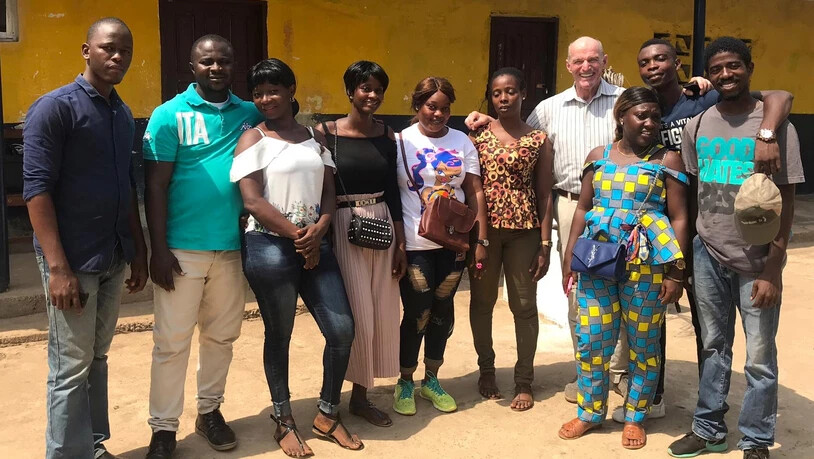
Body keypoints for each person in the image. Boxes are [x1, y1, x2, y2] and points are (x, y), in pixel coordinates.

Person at [604, 38, 795, 425]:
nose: (653, 66)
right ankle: (668, 402)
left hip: (731, 239)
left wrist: (769, 131)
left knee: (735, 343)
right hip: (676, 230)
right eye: (645, 62)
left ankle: (743, 430)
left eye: (661, 58)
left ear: (678, 63)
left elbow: (779, 95)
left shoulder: (703, 102)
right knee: (670, 322)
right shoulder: (660, 110)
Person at [667, 37, 803, 459]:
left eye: (734, 66)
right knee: (713, 345)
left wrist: (772, 269)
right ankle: (708, 428)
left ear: (749, 67)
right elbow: (691, 194)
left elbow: (787, 200)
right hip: (709, 251)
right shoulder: (698, 124)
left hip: (757, 257)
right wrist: (687, 255)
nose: (727, 74)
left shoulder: (777, 126)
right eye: (719, 68)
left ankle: (756, 439)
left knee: (760, 356)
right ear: (710, 74)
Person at [22, 17, 148, 459]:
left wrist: (138, 250)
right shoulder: (55, 108)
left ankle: (90, 445)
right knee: (69, 366)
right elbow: (35, 189)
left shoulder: (120, 113)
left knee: (96, 357)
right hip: (72, 260)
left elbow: (126, 186)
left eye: (125, 51)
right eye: (109, 48)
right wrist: (58, 268)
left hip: (111, 254)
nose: (117, 57)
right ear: (86, 50)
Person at [232, 58, 363, 457]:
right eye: (258, 93)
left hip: (316, 244)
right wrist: (296, 236)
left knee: (342, 330)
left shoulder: (313, 139)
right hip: (269, 247)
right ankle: (283, 419)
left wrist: (320, 228)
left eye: (273, 90)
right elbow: (252, 200)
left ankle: (326, 412)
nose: (266, 98)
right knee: (280, 334)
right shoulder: (253, 139)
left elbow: (328, 192)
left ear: (291, 90)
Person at [142, 35, 263, 458]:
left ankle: (209, 411)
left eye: (224, 61)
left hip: (231, 248)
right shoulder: (167, 115)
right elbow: (155, 186)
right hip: (180, 249)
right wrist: (158, 248)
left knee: (221, 337)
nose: (216, 68)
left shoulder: (250, 113)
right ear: (192, 66)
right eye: (207, 61)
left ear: (234, 66)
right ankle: (163, 428)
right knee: (171, 342)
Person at [557, 87, 689, 450]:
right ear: (621, 117)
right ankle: (590, 412)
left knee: (643, 344)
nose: (649, 123)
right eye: (641, 116)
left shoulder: (668, 160)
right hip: (596, 260)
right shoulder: (598, 157)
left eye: (654, 116)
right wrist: (570, 256)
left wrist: (676, 272)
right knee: (593, 339)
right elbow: (583, 208)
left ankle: (635, 416)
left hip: (645, 264)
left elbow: (679, 218)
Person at [314, 61, 406, 428]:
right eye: (364, 87)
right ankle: (331, 401)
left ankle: (361, 396)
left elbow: (395, 192)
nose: (372, 95)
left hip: (381, 224)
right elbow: (320, 187)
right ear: (350, 91)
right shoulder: (324, 133)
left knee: (381, 311)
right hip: (341, 226)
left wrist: (400, 243)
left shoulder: (388, 136)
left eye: (378, 89)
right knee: (353, 317)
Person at [393, 76, 488, 416]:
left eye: (445, 109)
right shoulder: (401, 141)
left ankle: (431, 379)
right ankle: (405, 380)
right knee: (417, 312)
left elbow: (475, 191)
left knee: (442, 311)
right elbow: (392, 195)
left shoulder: (462, 141)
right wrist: (399, 244)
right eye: (431, 106)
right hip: (417, 244)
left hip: (453, 244)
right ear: (417, 105)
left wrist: (480, 239)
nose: (438, 114)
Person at [467, 67, 552, 411]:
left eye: (511, 92)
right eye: (497, 93)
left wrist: (545, 245)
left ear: (524, 94)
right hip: (484, 233)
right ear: (491, 96)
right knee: (482, 302)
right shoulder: (476, 136)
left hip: (524, 232)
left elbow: (544, 193)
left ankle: (524, 379)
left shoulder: (539, 140)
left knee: (524, 305)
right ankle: (486, 369)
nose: (504, 98)